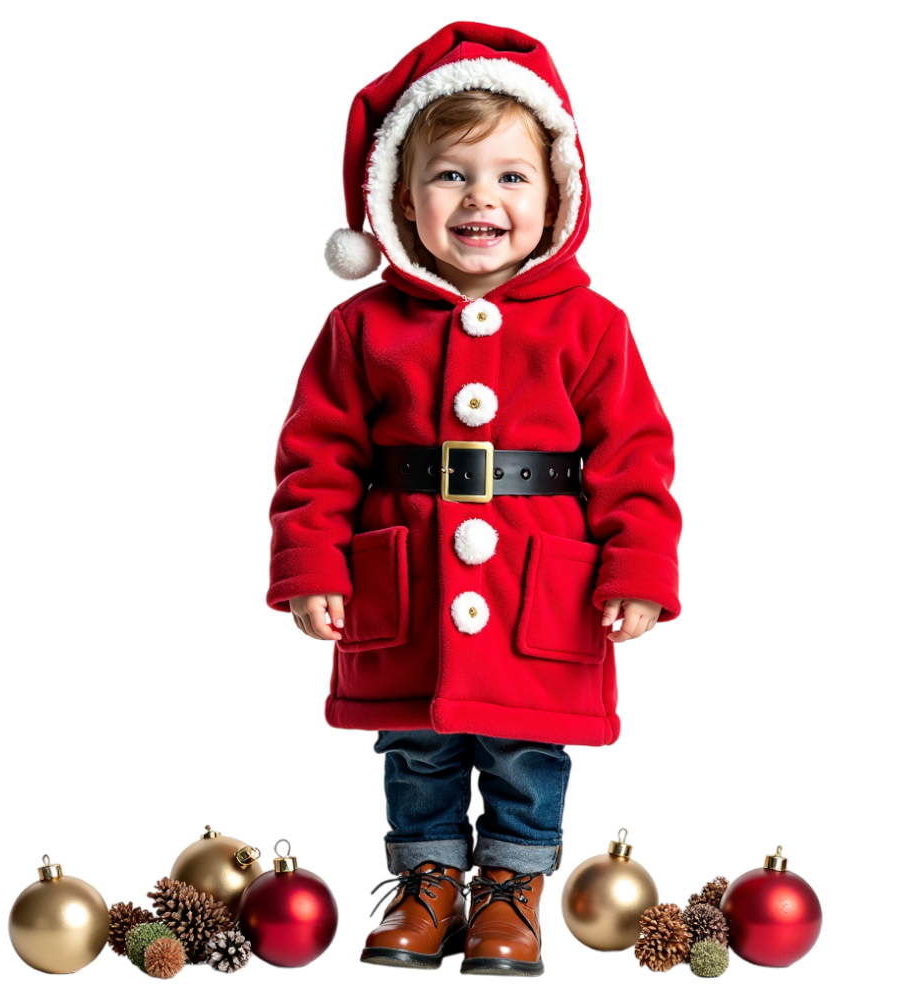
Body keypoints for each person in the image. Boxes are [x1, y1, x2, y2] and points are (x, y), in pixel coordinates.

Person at [266, 21, 682, 977]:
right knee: (412, 748)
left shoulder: (594, 324)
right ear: (400, 203)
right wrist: (312, 564)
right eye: (450, 175)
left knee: (527, 749)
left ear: (559, 192)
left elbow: (636, 455)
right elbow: (314, 456)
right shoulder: (359, 324)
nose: (480, 199)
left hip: (545, 576)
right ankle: (425, 885)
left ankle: (514, 892)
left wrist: (640, 567)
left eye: (510, 175)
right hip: (404, 574)